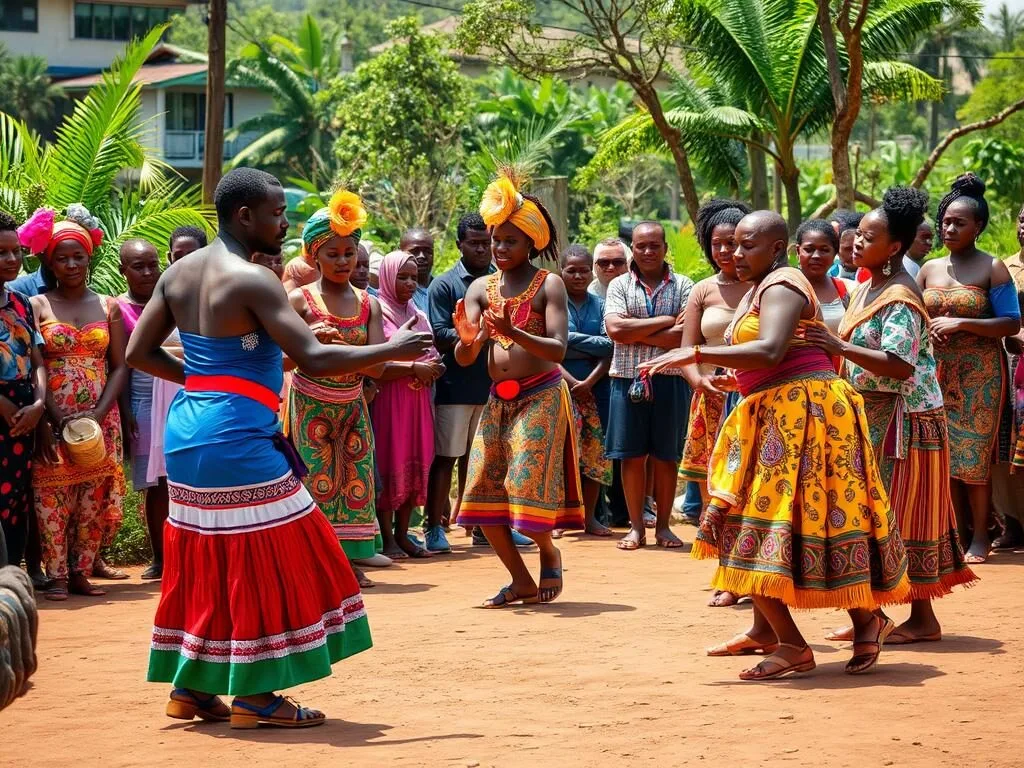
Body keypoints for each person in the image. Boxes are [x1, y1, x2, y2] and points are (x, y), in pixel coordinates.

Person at [127, 167, 432, 727]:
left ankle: (192, 686)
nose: (284, 222)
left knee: (211, 555)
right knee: (281, 550)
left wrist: (205, 381)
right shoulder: (254, 280)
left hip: (190, 431)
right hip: (237, 436)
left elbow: (138, 355)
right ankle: (257, 695)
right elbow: (315, 357)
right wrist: (396, 349)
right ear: (244, 216)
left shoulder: (179, 273)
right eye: (276, 213)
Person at [642, 210, 910, 680]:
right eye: (731, 245)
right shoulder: (756, 287)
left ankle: (820, 634)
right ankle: (792, 631)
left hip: (806, 416)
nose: (734, 253)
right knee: (772, 522)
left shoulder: (783, 283)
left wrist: (699, 352)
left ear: (777, 248)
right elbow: (767, 359)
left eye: (748, 245)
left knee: (779, 521)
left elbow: (769, 348)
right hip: (773, 413)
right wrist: (734, 379)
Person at [807, 187, 977, 645]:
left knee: (906, 515)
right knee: (876, 515)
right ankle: (872, 612)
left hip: (907, 423)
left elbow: (899, 364)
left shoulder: (900, 295)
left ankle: (922, 619)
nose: (857, 241)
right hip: (874, 417)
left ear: (895, 247)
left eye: (868, 236)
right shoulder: (867, 286)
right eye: (857, 233)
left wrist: (839, 347)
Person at [454, 170, 583, 606]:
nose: (501, 249)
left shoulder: (549, 285)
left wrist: (514, 330)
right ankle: (520, 580)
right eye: (496, 240)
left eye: (511, 240)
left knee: (526, 494)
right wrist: (470, 341)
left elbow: (558, 348)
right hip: (497, 402)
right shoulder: (478, 288)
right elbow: (466, 357)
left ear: (531, 243)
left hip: (541, 396)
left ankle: (548, 550)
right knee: (481, 498)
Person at [21, 205, 128, 600]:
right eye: (61, 257)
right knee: (50, 494)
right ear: (50, 261)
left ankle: (83, 572)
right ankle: (57, 575)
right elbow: (35, 364)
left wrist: (99, 413)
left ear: (89, 257)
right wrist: (50, 414)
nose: (70, 264)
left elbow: (120, 366)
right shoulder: (37, 306)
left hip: (101, 416)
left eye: (77, 256)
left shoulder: (108, 306)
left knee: (93, 497)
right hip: (53, 415)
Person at [918, 173, 1020, 564]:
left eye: (959, 222)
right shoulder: (929, 269)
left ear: (978, 226)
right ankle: (957, 533)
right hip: (937, 375)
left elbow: (1011, 322)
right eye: (945, 221)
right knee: (944, 457)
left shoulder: (992, 268)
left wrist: (962, 323)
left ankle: (981, 536)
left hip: (981, 377)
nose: (949, 228)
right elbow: (917, 314)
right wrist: (930, 328)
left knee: (973, 457)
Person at [286, 193, 389, 571]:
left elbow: (378, 368)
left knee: (353, 479)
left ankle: (345, 564)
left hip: (351, 404)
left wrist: (352, 347)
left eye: (349, 253)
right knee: (316, 481)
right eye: (333, 254)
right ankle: (319, 564)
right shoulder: (298, 301)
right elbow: (275, 358)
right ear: (314, 256)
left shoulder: (369, 303)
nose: (343, 261)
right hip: (310, 404)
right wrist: (311, 343)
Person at [676, 199, 751, 605]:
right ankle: (725, 571)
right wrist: (700, 381)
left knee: (753, 488)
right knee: (715, 494)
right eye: (717, 244)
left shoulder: (766, 285)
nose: (725, 251)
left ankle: (751, 574)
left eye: (733, 243)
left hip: (755, 397)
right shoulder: (702, 290)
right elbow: (687, 348)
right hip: (712, 402)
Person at [604, 221, 694, 551]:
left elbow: (684, 336)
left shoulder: (685, 285)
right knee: (631, 456)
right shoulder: (618, 286)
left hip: (671, 379)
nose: (647, 251)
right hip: (626, 378)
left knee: (666, 456)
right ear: (633, 248)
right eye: (641, 245)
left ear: (665, 248)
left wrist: (635, 330)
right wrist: (666, 323)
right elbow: (615, 329)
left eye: (654, 245)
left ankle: (665, 526)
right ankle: (636, 528)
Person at [427, 214, 496, 552]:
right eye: (475, 243)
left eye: (487, 242)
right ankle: (435, 528)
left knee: (483, 459)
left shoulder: (500, 281)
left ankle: (483, 528)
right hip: (455, 386)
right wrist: (479, 333)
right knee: (447, 457)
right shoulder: (445, 284)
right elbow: (439, 334)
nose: (483, 249)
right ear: (459, 245)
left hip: (493, 385)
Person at [371, 251, 443, 558]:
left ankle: (404, 534)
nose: (409, 283)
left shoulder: (419, 312)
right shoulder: (378, 312)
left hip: (418, 401)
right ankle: (386, 537)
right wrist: (414, 367)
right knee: (391, 459)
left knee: (417, 458)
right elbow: (376, 362)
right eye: (402, 277)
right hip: (390, 400)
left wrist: (435, 366)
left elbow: (430, 351)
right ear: (387, 277)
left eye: (413, 277)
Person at [117, 238, 168, 580]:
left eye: (152, 264)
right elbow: (117, 365)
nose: (148, 272)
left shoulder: (172, 300)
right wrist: (125, 411)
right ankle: (161, 557)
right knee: (156, 484)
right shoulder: (116, 309)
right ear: (124, 271)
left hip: (182, 395)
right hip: (143, 400)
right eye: (139, 266)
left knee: (186, 479)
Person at [0, 211, 46, 570]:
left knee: (17, 501)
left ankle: (12, 581)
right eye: (2, 252)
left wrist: (40, 404)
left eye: (16, 251)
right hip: (7, 411)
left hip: (23, 414)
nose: (13, 259)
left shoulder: (22, 305)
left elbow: (37, 360)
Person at [558, 243, 612, 536]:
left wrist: (588, 382)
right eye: (571, 270)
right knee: (561, 454)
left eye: (583, 270)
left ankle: (589, 517)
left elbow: (610, 347)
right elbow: (550, 352)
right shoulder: (553, 303)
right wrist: (572, 381)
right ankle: (559, 518)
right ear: (560, 271)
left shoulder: (602, 305)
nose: (578, 276)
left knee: (594, 456)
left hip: (596, 389)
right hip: (560, 388)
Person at [996, 205, 1024, 549]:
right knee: (1005, 450)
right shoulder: (1004, 268)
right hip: (1009, 368)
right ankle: (1011, 523)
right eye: (1021, 221)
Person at [795, 219, 850, 333]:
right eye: (809, 250)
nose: (816, 256)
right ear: (798, 251)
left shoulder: (849, 290)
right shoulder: (783, 288)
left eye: (824, 250)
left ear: (835, 254)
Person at [400, 227, 434, 312]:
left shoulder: (443, 288)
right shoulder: (396, 293)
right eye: (415, 251)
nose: (422, 256)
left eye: (427, 251)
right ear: (400, 252)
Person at [827, 210, 862, 281]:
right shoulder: (830, 275)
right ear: (838, 250)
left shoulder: (875, 278)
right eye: (848, 249)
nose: (854, 253)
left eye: (858, 247)